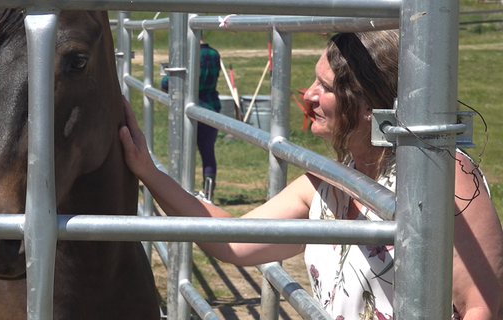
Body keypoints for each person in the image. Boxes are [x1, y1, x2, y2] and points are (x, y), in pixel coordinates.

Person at [120, 30, 503, 319]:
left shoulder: (443, 174)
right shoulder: (330, 183)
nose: (308, 96)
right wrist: (148, 173)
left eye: (325, 86)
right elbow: (234, 242)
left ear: (369, 104)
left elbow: (482, 306)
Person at [161, 35, 222, 202]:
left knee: (182, 151)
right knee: (207, 151)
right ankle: (208, 193)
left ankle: (182, 190)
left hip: (189, 109)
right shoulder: (214, 54)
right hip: (211, 106)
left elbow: (166, 83)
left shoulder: (187, 57)